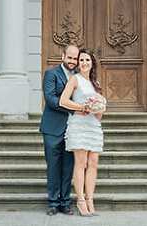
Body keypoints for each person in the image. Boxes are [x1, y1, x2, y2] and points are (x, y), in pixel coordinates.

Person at [59, 48, 105, 217]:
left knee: (93, 163)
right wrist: (82, 107)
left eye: (87, 60)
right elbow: (63, 101)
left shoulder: (96, 84)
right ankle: (80, 201)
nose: (84, 63)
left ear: (92, 63)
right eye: (82, 60)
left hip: (93, 126)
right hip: (79, 125)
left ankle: (90, 199)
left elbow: (98, 114)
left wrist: (100, 107)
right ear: (78, 63)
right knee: (81, 163)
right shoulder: (74, 79)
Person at [39, 44, 79, 216]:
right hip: (52, 128)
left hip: (73, 129)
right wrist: (74, 108)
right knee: (54, 166)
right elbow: (50, 99)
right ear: (63, 56)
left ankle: (65, 202)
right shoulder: (51, 74)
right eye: (69, 57)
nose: (72, 61)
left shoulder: (79, 77)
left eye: (75, 58)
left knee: (68, 167)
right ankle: (53, 203)